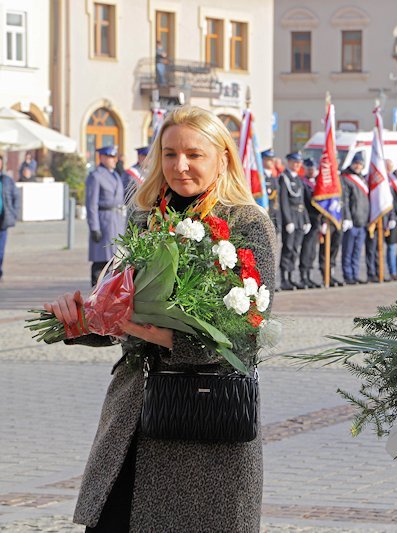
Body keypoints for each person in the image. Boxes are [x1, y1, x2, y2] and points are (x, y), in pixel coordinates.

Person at [44, 105, 274, 531]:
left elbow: (247, 338)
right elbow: (117, 313)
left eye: (193, 154)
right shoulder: (146, 218)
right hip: (134, 413)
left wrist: (171, 338)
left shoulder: (247, 224)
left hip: (205, 423)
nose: (179, 166)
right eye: (169, 154)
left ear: (222, 156)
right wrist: (79, 321)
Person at [86, 145, 127, 287]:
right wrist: (94, 227)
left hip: (116, 220)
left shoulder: (115, 174)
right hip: (103, 221)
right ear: (102, 158)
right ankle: (95, 292)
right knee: (101, 260)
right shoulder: (96, 176)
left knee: (117, 260)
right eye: (110, 157)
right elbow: (91, 204)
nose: (113, 160)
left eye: (114, 157)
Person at [278, 152, 309, 290]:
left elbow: (302, 201)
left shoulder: (298, 179)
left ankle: (291, 277)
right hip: (290, 216)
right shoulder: (284, 178)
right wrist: (288, 220)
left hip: (299, 217)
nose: (297, 165)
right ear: (289, 162)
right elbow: (283, 201)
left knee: (296, 248)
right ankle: (284, 278)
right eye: (295, 162)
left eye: (299, 163)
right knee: (288, 248)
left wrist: (306, 220)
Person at [340, 152, 369, 284]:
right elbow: (344, 200)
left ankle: (355, 274)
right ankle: (348, 275)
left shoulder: (363, 179)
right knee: (348, 250)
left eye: (360, 164)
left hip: (362, 221)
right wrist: (347, 217)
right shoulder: (346, 178)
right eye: (356, 163)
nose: (358, 166)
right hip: (352, 220)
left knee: (357, 251)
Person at [299, 158, 321, 288]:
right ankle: (303, 275)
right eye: (309, 169)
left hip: (316, 220)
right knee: (306, 248)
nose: (311, 171)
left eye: (313, 169)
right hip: (307, 219)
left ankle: (309, 274)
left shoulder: (318, 183)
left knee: (313, 250)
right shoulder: (303, 183)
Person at [0, 155, 21, 281]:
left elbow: (16, 197)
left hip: (3, 220)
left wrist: (13, 213)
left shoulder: (7, 180)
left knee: (1, 250)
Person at [261, 149, 281, 232]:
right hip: (264, 214)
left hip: (274, 215)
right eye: (269, 159)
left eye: (273, 159)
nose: (272, 161)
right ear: (263, 160)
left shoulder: (273, 178)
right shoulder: (261, 177)